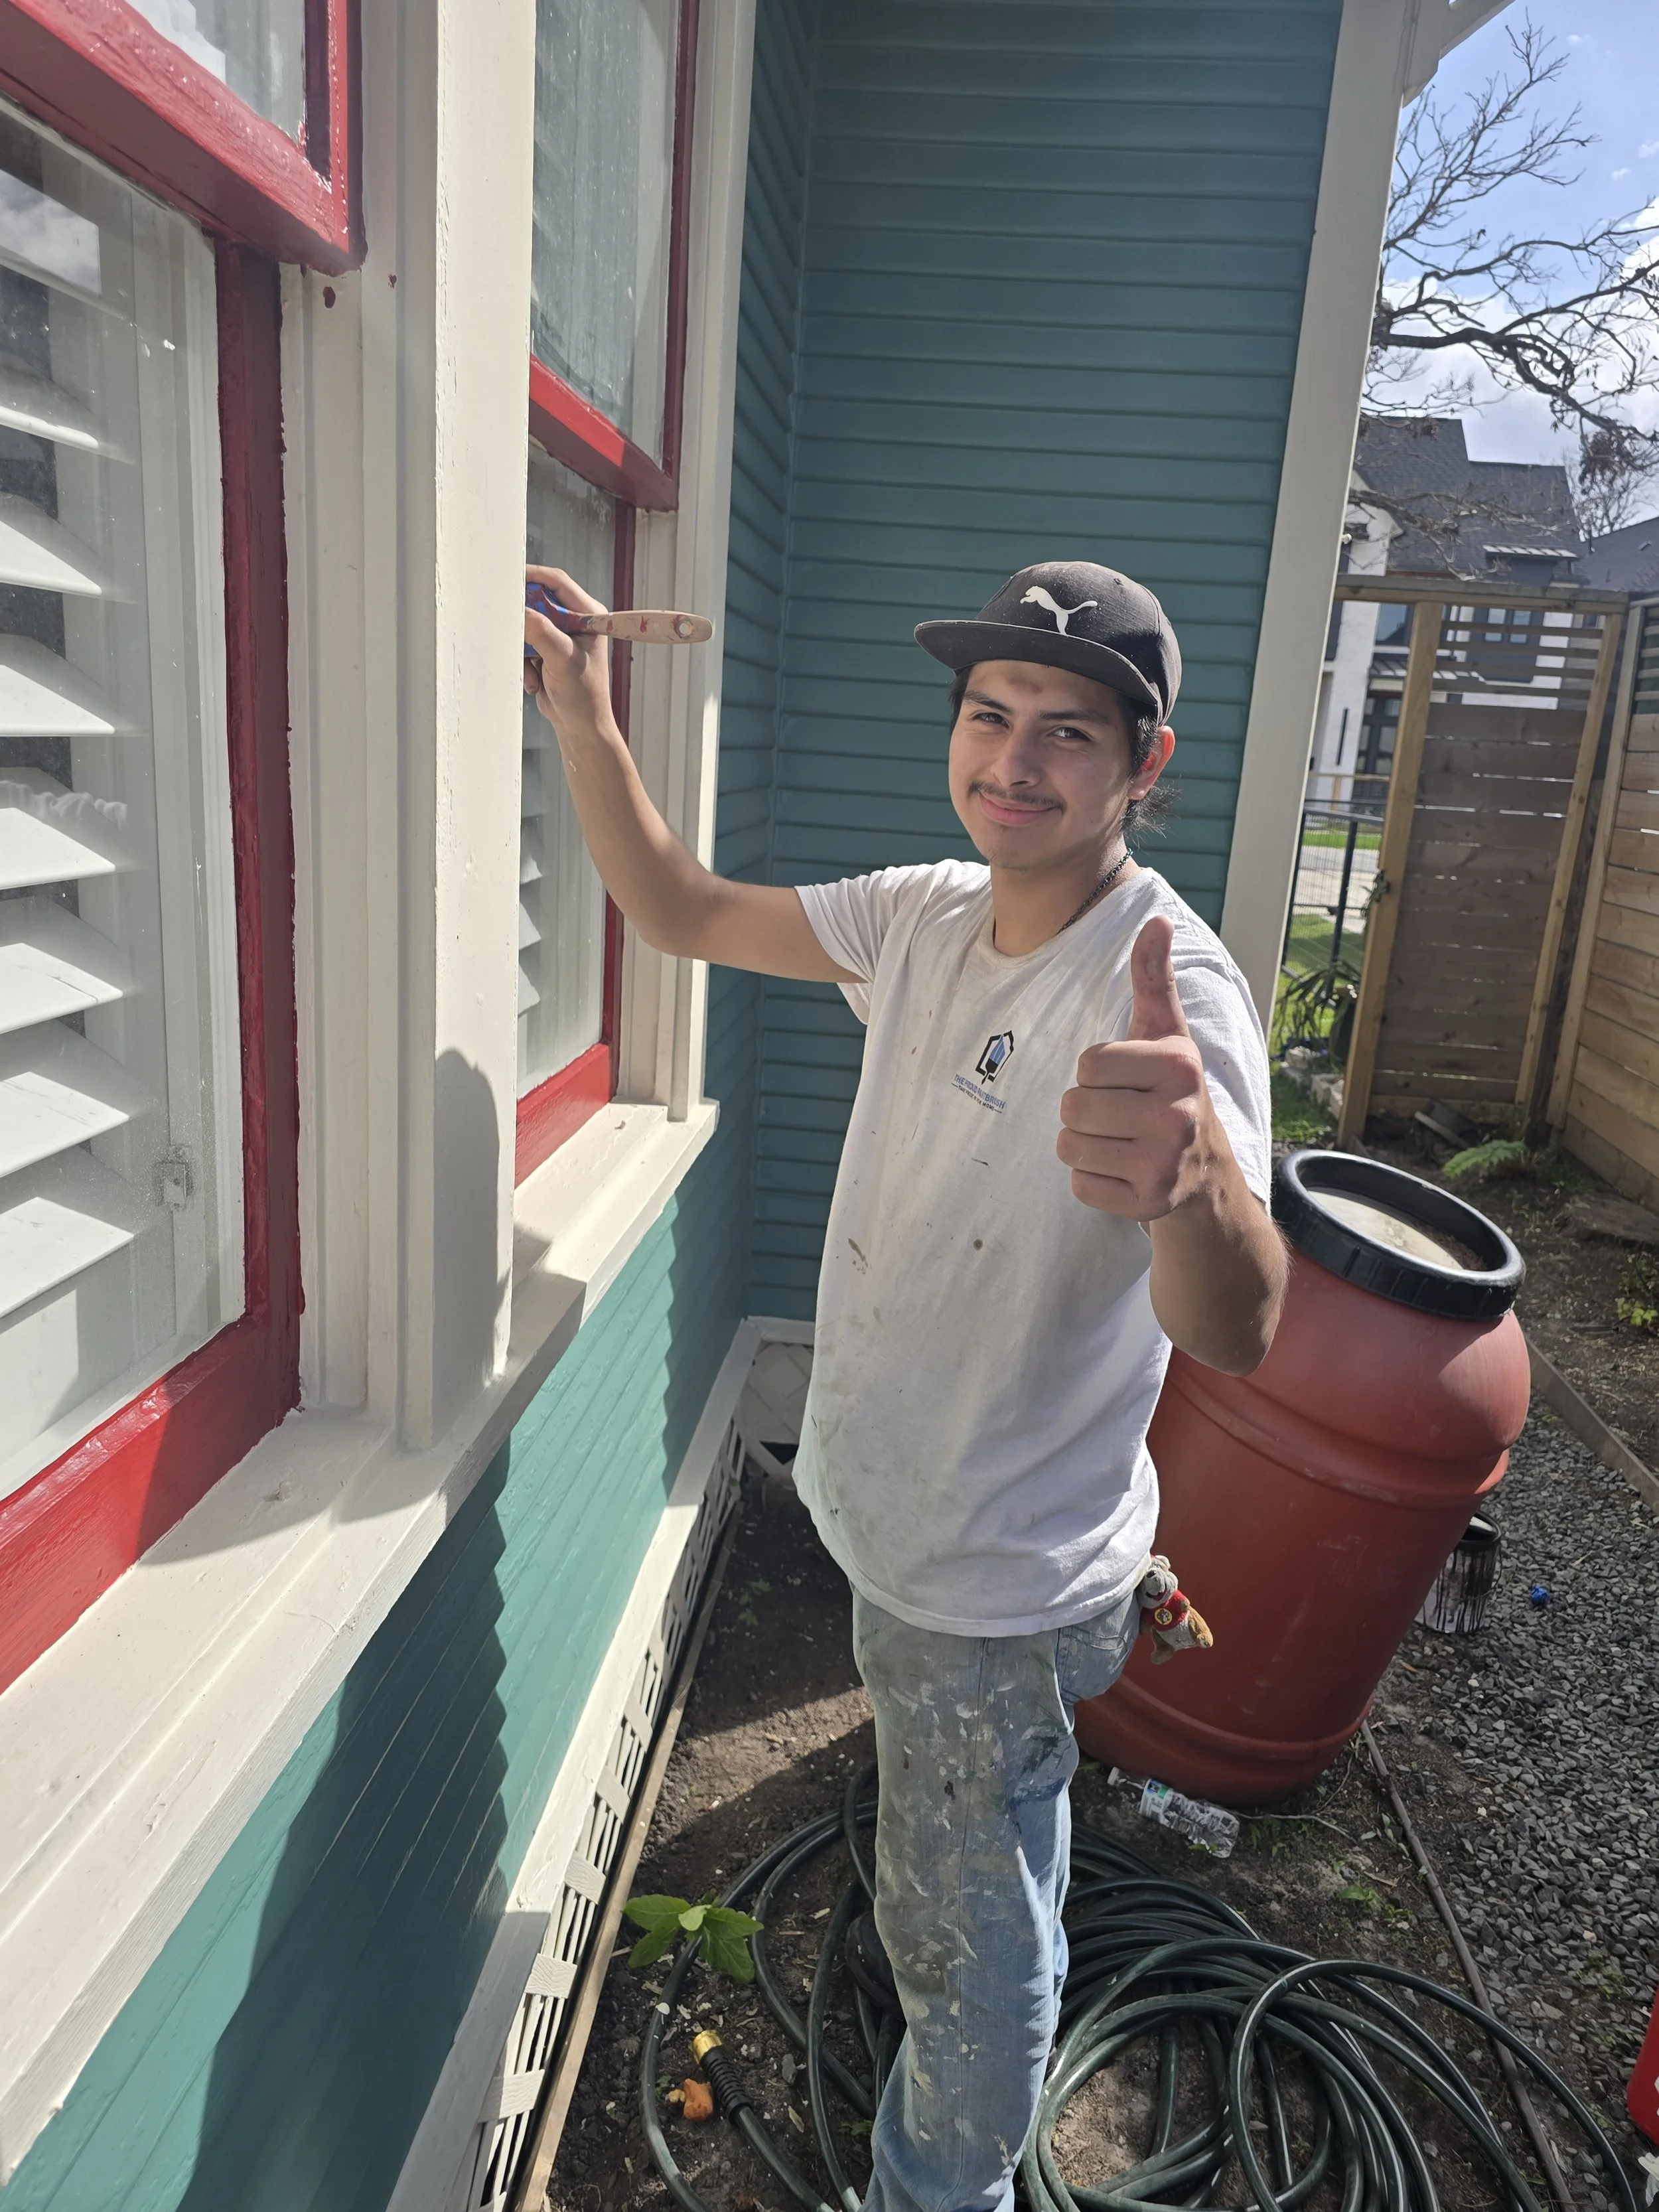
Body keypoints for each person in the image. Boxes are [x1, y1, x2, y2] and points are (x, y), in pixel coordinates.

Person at [524, 559, 1286, 2212]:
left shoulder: (1167, 991)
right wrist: (583, 717)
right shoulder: (928, 912)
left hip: (985, 1574)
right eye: (988, 714)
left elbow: (1237, 1326)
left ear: (1144, 766)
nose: (1013, 758)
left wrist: (1195, 1184)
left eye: (1067, 732)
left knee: (967, 1935)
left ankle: (941, 2192)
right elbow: (681, 908)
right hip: (913, 1523)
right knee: (973, 1854)